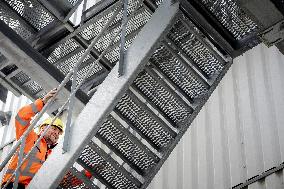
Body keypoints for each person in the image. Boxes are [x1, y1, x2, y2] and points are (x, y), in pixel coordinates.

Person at [1, 88, 63, 188]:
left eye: (59, 133)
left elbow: (63, 177)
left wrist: (88, 173)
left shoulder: (53, 154)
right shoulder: (30, 137)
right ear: (43, 128)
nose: (56, 133)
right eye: (54, 129)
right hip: (15, 185)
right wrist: (42, 102)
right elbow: (21, 117)